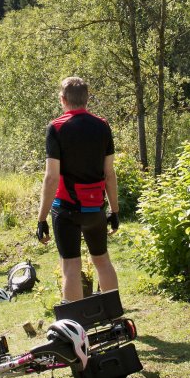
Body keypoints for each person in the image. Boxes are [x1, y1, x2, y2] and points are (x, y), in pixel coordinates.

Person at [36, 76, 120, 302]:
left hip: (67, 210)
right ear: (87, 98)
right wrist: (115, 211)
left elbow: (51, 177)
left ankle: (76, 325)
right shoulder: (102, 126)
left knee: (71, 266)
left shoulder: (56, 127)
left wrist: (41, 218)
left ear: (62, 99)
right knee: (102, 261)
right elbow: (109, 174)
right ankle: (113, 315)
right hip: (95, 209)